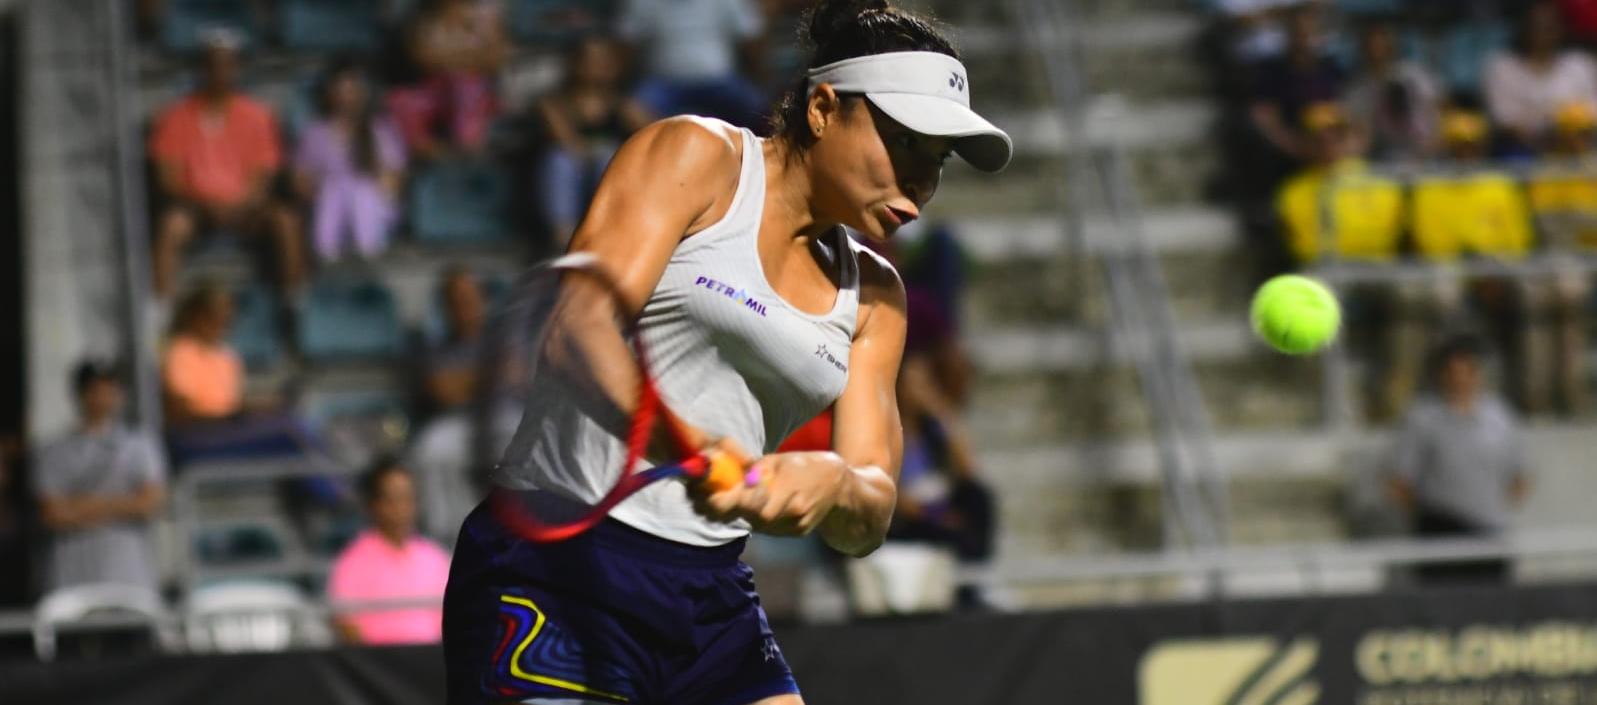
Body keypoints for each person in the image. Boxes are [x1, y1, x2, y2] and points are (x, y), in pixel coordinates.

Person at [442, 1, 1011, 703]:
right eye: (903, 142)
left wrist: (833, 481)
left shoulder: (876, 299)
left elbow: (868, 512)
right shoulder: (697, 158)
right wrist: (692, 441)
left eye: (937, 158)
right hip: (561, 561)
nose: (919, 182)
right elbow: (577, 326)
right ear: (824, 108)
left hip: (708, 595)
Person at [148, 32, 304, 299]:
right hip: (196, 209)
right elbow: (168, 179)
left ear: (238, 68)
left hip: (246, 209)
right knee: (170, 227)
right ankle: (161, 310)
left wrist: (240, 205)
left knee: (286, 222)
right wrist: (206, 204)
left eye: (228, 65)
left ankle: (294, 305)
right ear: (202, 69)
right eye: (213, 65)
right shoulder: (174, 117)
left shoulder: (257, 116)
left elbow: (263, 177)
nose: (220, 72)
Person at [1388, 335, 1529, 585]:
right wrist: (1433, 516)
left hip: (1489, 533)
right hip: (1440, 533)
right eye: (1453, 372)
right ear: (1441, 375)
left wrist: (1488, 508)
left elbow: (1519, 475)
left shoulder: (1499, 417)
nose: (1460, 380)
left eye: (1467, 372)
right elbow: (1400, 481)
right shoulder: (1422, 419)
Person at [32, 361, 166, 592]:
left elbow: (148, 503)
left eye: (110, 389)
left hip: (129, 577)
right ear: (81, 394)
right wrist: (123, 503)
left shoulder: (139, 445)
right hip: (73, 579)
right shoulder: (55, 451)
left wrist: (80, 505)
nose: (104, 398)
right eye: (96, 390)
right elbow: (52, 513)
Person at [533, 34, 653, 245]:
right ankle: (563, 238)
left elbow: (656, 134)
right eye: (592, 59)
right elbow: (567, 142)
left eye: (605, 60)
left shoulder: (623, 104)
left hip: (605, 171)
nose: (599, 66)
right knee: (561, 161)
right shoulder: (553, 103)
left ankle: (607, 234)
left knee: (610, 158)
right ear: (575, 62)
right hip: (571, 171)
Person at [327, 458, 453, 645]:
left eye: (407, 498)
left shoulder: (435, 557)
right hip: (378, 667)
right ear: (374, 505)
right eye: (391, 499)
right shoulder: (352, 562)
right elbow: (345, 624)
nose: (401, 508)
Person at [294, 58, 408, 263]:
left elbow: (393, 179)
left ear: (361, 94)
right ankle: (327, 247)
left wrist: (373, 189)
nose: (345, 97)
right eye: (340, 90)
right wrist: (327, 190)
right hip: (327, 206)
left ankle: (367, 245)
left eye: (350, 90)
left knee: (361, 189)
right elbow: (301, 179)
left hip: (372, 207)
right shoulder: (314, 134)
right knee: (334, 189)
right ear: (329, 93)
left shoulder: (379, 132)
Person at [386, 0, 509, 160]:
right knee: (399, 101)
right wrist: (469, 56)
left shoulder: (485, 13)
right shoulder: (426, 16)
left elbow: (496, 59)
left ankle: (467, 149)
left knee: (463, 89)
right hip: (433, 89)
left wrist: (449, 56)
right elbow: (421, 56)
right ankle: (436, 154)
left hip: (474, 88)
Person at [618, 0, 769, 128]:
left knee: (761, 108)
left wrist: (759, 76)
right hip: (664, 83)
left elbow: (751, 39)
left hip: (721, 81)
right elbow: (626, 44)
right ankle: (672, 151)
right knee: (633, 110)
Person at [1485, 1, 1597, 156]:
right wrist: (1546, 135)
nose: (1543, 34)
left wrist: (1568, 126)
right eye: (1536, 27)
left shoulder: (1580, 64)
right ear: (1525, 29)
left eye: (1549, 27)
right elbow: (1503, 119)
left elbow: (1592, 112)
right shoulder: (1503, 67)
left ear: (1561, 29)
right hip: (1520, 151)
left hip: (1578, 148)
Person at [1248, 4, 1351, 164]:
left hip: (1332, 149)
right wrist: (1297, 147)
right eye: (1298, 33)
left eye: (1309, 33)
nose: (1304, 39)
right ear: (1289, 35)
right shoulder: (1271, 71)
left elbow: (1348, 110)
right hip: (1292, 153)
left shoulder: (1331, 67)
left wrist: (1341, 146)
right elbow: (1265, 120)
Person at [1344, 19, 1442, 163]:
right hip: (1383, 159)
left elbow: (1439, 107)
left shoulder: (1413, 75)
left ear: (1392, 45)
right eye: (1372, 45)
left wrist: (1434, 141)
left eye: (1382, 44)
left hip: (1426, 153)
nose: (1377, 50)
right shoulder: (1357, 89)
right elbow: (1358, 136)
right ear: (1363, 48)